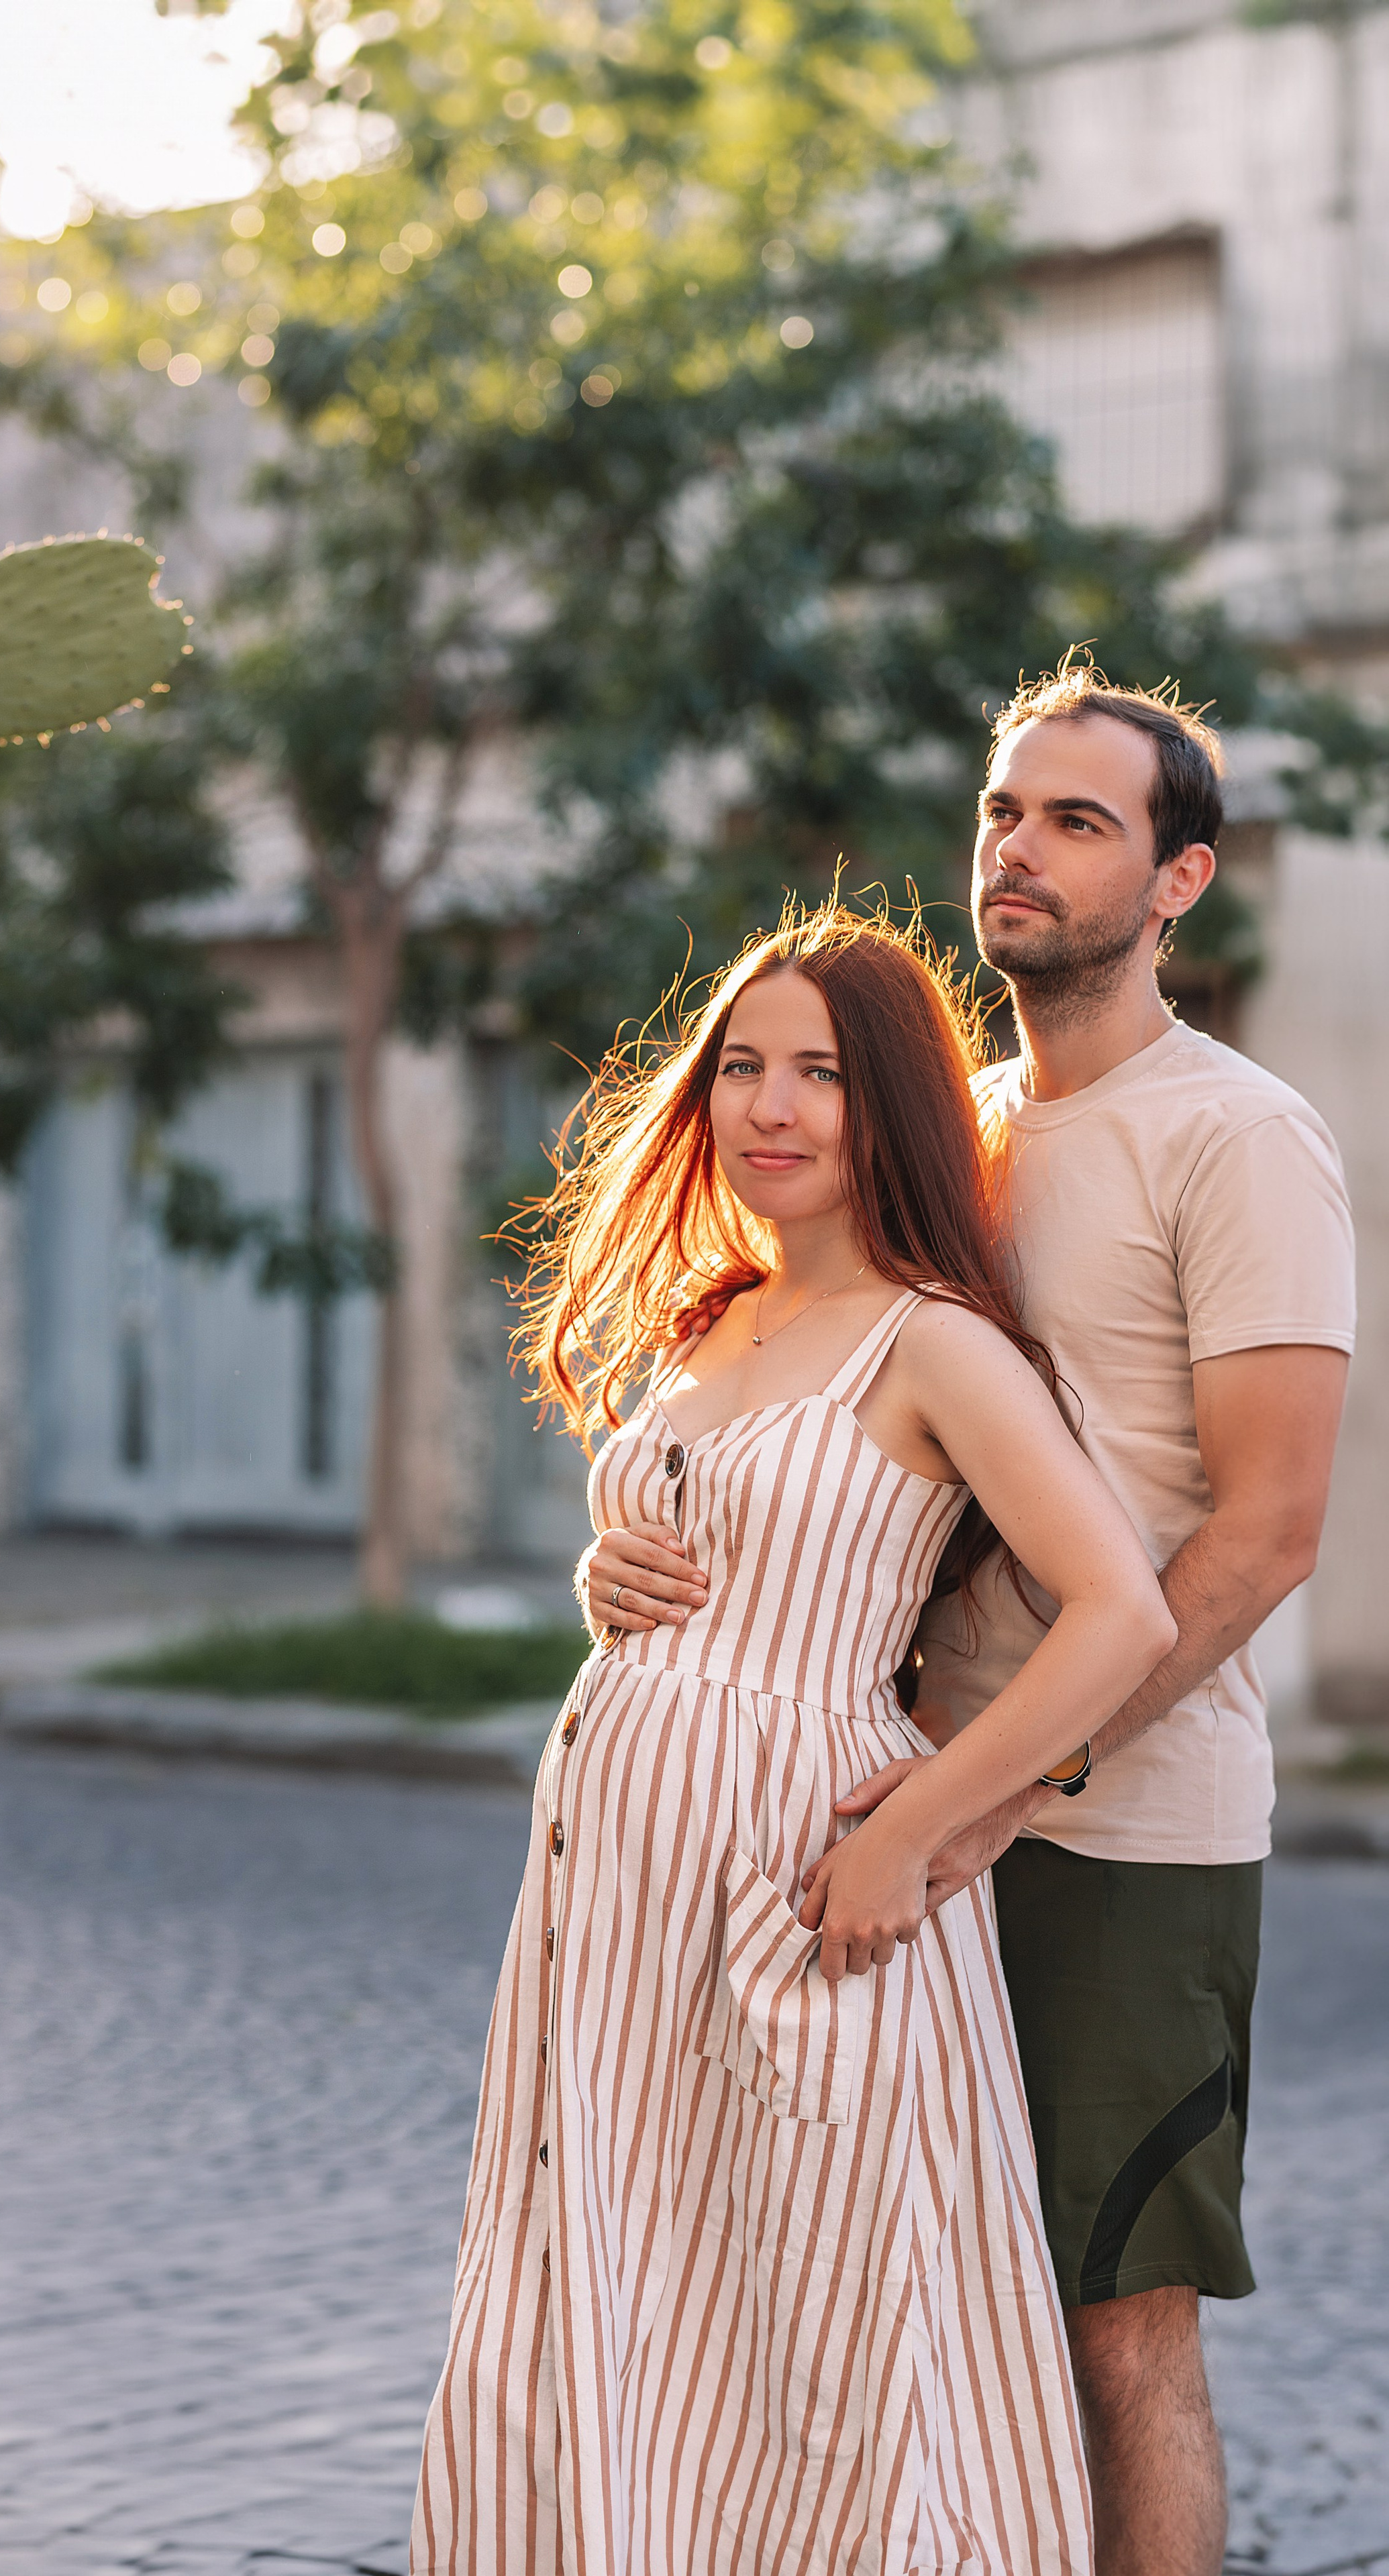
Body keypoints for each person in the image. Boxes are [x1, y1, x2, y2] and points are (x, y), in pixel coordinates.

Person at [591, 665, 1356, 2576]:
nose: (1019, 849)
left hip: (1110, 1837)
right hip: (875, 1818)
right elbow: (808, 1411)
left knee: (1118, 2340)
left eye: (1079, 822)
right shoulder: (952, 1123)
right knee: (896, 2320)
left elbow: (1265, 1535)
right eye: (1006, 810)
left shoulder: (1238, 1138)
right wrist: (633, 1563)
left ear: (1177, 882)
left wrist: (995, 1798)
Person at [411, 903, 1176, 2575]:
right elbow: (717, 1569)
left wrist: (916, 1829)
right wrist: (599, 1571)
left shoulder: (936, 1343)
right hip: (611, 1912)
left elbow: (1121, 1612)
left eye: (818, 1073)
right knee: (626, 2274)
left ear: (887, 1102)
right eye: (741, 1065)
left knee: (816, 2323)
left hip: (795, 1885)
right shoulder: (702, 1330)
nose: (768, 1102)